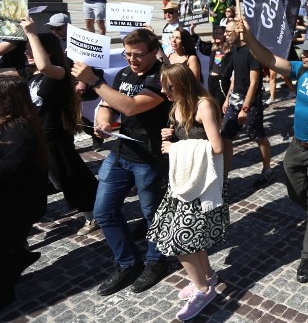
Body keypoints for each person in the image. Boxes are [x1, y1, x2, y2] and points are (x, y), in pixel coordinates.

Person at [236, 21, 308, 284]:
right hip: (296, 147)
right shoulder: (301, 70)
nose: (303, 55)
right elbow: (267, 57)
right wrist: (249, 35)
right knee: (292, 189)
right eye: (303, 51)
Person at [70, 29, 171, 296]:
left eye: (137, 55)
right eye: (127, 54)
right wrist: (103, 118)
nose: (131, 60)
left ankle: (156, 262)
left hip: (149, 158)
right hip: (119, 152)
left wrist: (93, 80)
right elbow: (109, 104)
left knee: (152, 216)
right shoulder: (125, 73)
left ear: (153, 52)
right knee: (103, 212)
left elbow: (131, 106)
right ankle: (128, 263)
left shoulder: (163, 76)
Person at [147, 64, 228, 321]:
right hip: (184, 182)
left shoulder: (203, 105)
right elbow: (190, 139)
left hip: (201, 184)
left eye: (169, 86)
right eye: (163, 85)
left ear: (183, 83)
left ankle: (204, 292)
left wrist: (177, 149)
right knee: (192, 239)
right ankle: (207, 278)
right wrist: (172, 136)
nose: (164, 91)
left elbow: (216, 147)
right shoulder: (177, 105)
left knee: (180, 241)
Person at [17, 20, 99, 236]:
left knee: (71, 177)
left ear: (47, 51)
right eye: (26, 50)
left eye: (31, 49)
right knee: (35, 183)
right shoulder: (28, 74)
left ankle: (92, 215)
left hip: (54, 137)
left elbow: (45, 66)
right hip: (34, 138)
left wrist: (32, 33)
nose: (27, 53)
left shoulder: (59, 74)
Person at [0, 77, 48, 310]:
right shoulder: (8, 123)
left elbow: (13, 166)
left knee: (6, 249)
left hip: (18, 202)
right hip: (10, 200)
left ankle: (5, 293)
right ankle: (20, 257)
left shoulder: (19, 128)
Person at [220, 21, 271, 184]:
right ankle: (225, 174)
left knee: (257, 136)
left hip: (250, 102)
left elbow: (254, 82)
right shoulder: (235, 49)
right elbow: (235, 76)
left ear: (238, 32)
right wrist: (228, 97)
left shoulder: (252, 52)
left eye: (229, 32)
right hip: (234, 99)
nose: (226, 35)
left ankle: (267, 169)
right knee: (226, 136)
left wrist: (245, 108)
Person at [189, 24, 232, 108]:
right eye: (215, 33)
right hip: (211, 79)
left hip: (222, 80)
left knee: (219, 105)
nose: (217, 35)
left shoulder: (230, 51)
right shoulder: (213, 48)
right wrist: (192, 30)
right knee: (212, 104)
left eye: (220, 34)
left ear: (225, 35)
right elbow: (200, 43)